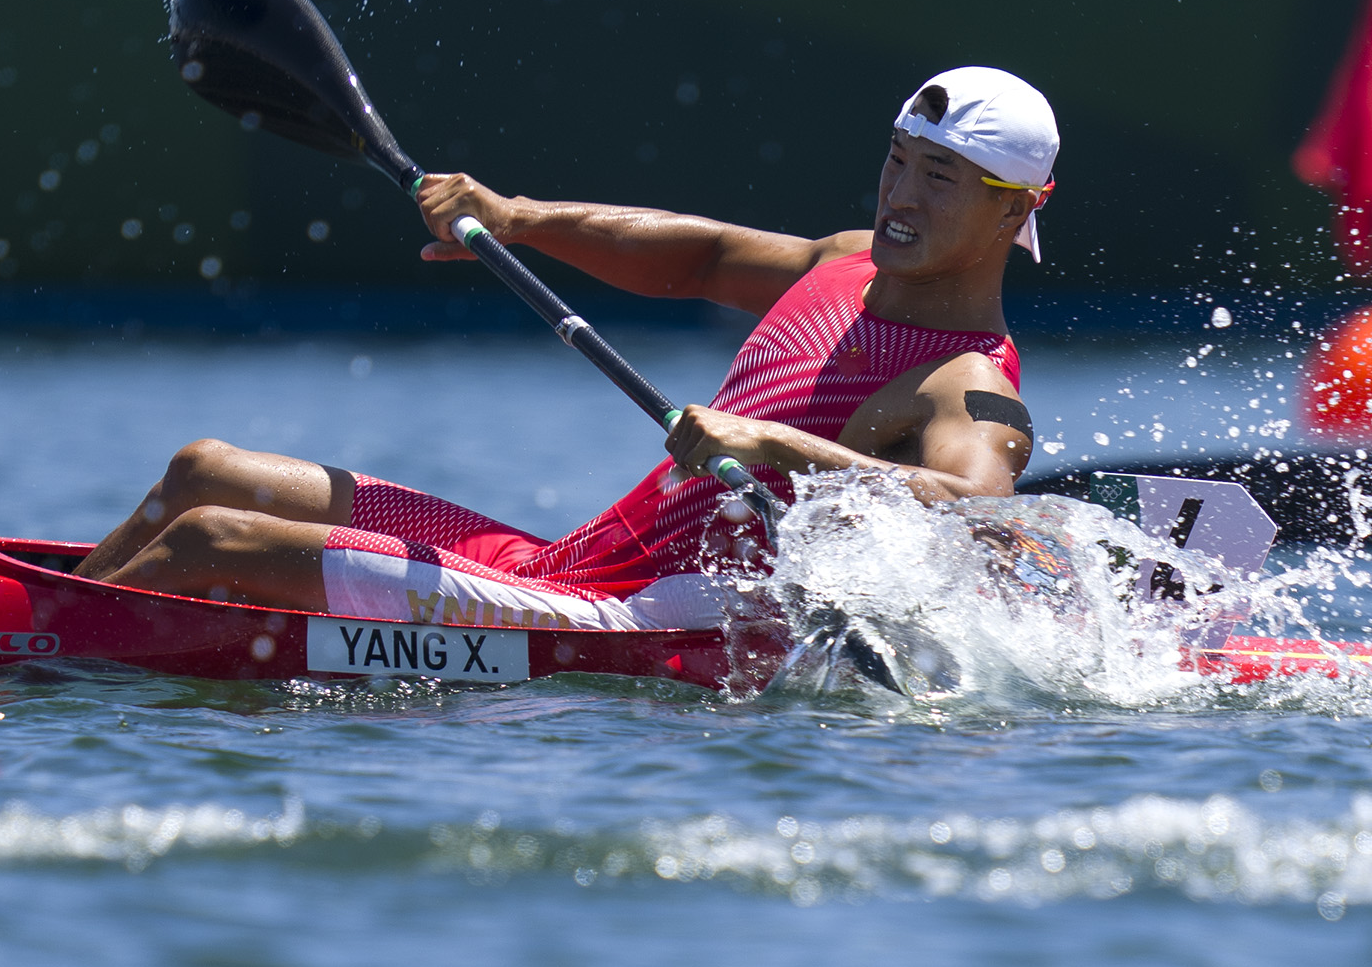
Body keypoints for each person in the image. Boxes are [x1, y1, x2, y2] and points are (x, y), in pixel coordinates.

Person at [74, 67, 1059, 630]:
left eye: (940, 177)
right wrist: (517, 216)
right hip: (561, 560)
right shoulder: (846, 259)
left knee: (211, 540)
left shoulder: (967, 384)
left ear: (1017, 206)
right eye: (896, 160)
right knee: (200, 472)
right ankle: (45, 613)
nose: (899, 195)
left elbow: (975, 504)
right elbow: (705, 255)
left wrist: (777, 447)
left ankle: (29, 669)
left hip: (632, 613)